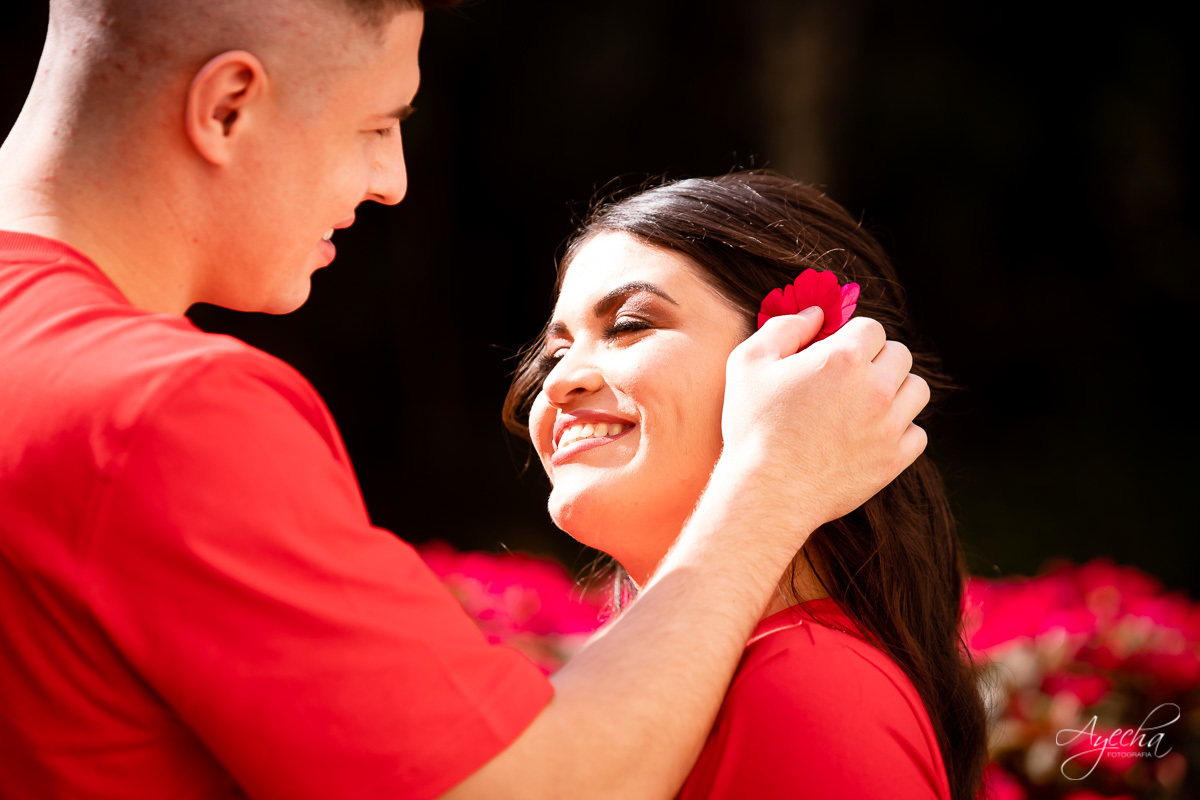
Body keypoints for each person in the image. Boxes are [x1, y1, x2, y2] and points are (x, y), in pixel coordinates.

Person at [0, 2, 932, 798]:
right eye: (374, 124)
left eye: (634, 325)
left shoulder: (815, 690)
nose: (391, 179)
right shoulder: (160, 411)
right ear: (229, 107)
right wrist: (769, 487)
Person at [503, 171, 990, 800]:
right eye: (555, 350)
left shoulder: (807, 688)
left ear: (806, 363)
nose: (558, 381)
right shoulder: (751, 683)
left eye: (626, 325)